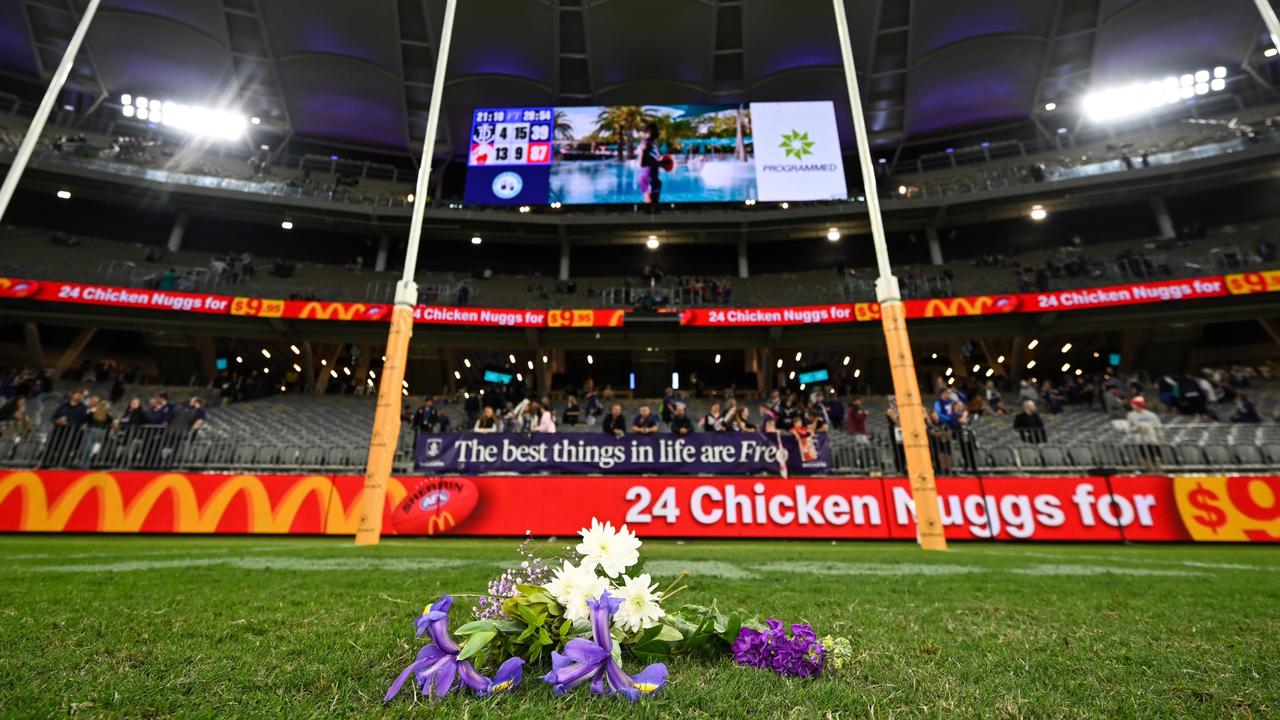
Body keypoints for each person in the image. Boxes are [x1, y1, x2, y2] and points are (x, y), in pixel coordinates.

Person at [1125, 396, 1165, 471]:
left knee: (1156, 456)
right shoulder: (1130, 415)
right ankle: (1149, 471)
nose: (1133, 406)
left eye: (1135, 404)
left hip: (1152, 439)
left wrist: (1161, 439)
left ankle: (1159, 471)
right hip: (1140, 440)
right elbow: (1129, 428)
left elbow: (1158, 427)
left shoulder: (1151, 415)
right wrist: (1137, 428)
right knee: (1145, 456)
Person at [79, 400, 113, 469]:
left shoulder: (93, 413)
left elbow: (85, 420)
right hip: (100, 432)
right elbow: (109, 424)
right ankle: (88, 464)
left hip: (92, 430)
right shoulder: (108, 415)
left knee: (87, 448)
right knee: (94, 449)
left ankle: (84, 465)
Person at [639, 122, 664, 204]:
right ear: (649, 131)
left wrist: (662, 162)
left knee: (655, 203)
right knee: (651, 205)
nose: (658, 132)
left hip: (654, 177)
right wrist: (657, 162)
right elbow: (642, 163)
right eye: (656, 130)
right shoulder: (647, 143)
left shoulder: (654, 144)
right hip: (648, 178)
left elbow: (655, 159)